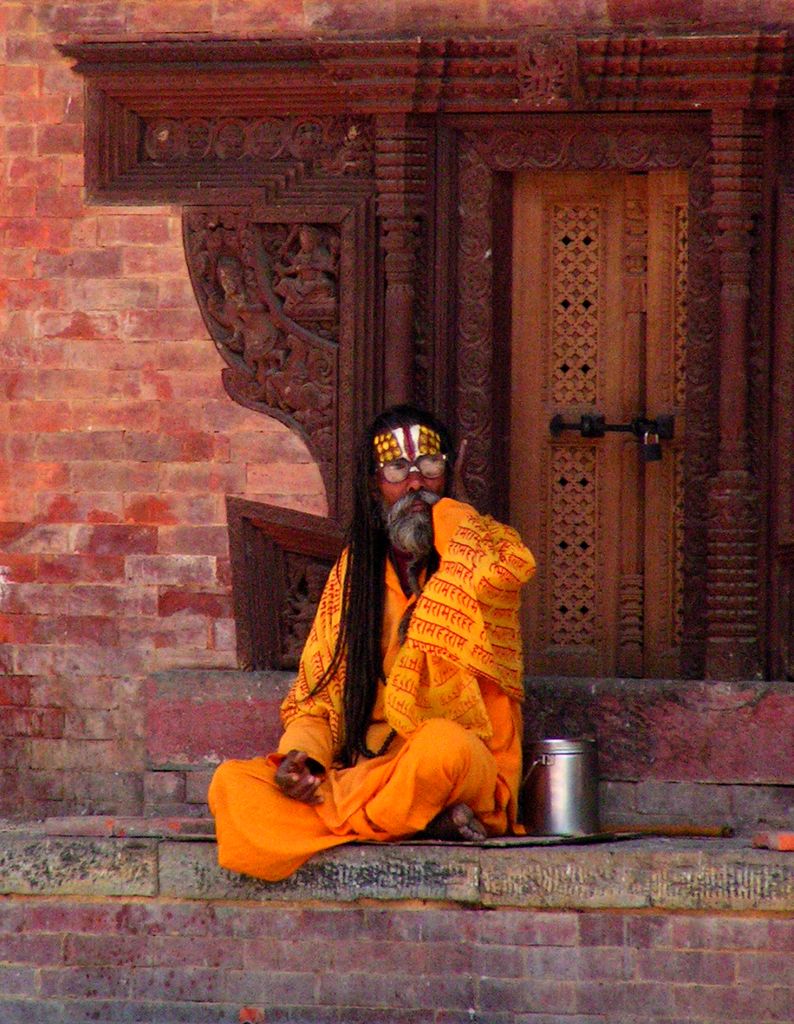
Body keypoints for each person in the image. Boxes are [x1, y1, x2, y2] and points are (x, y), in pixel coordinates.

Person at [209, 404, 536, 881]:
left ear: (449, 473)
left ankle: (346, 813)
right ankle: (415, 820)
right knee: (231, 784)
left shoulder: (478, 548)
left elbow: (501, 571)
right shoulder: (355, 575)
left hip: (462, 767)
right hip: (372, 766)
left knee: (440, 748)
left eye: (430, 465)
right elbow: (318, 696)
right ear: (373, 486)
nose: (415, 484)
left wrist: (455, 509)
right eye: (397, 469)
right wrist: (304, 757)